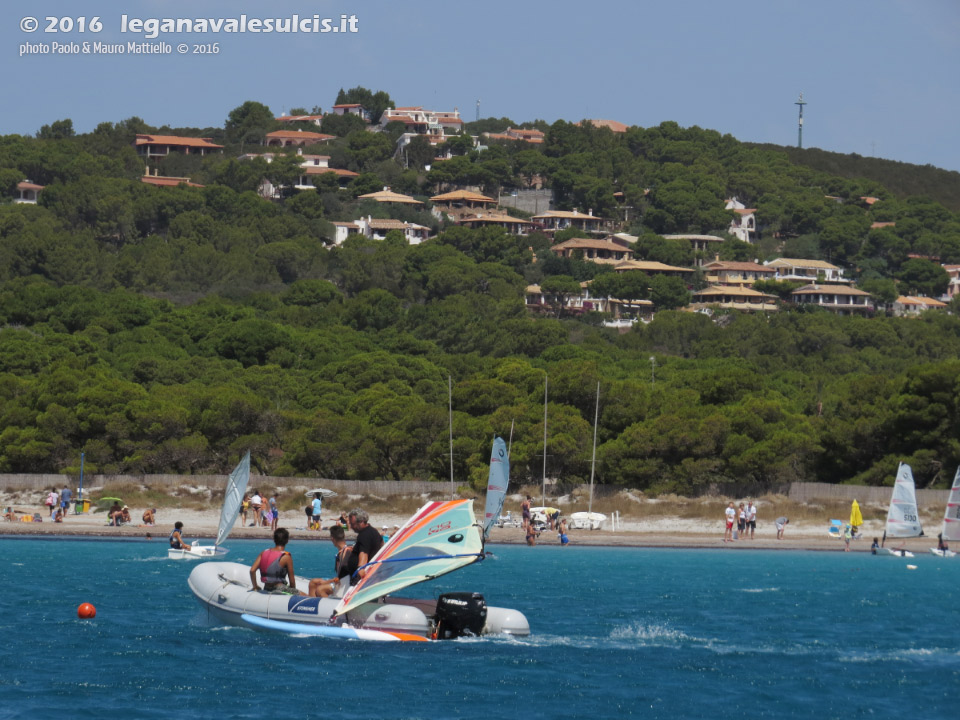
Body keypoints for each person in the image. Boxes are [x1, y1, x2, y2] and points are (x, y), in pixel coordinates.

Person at [250, 528, 303, 595]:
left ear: (274, 539)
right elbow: (292, 582)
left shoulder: (264, 552)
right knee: (306, 596)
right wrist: (293, 592)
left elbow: (252, 570)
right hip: (280, 588)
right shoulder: (286, 556)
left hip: (266, 587)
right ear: (287, 541)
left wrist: (255, 586)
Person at [308, 525, 353, 598]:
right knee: (314, 582)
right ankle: (312, 604)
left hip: (342, 584)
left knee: (320, 589)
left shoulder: (345, 552)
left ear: (332, 539)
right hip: (340, 581)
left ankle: (328, 606)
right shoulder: (346, 550)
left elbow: (342, 575)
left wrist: (331, 581)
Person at [346, 509, 383, 583]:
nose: (351, 527)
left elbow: (364, 552)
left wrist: (360, 568)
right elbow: (382, 544)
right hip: (371, 574)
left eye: (353, 524)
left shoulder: (364, 535)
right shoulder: (373, 531)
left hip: (361, 578)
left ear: (361, 522)